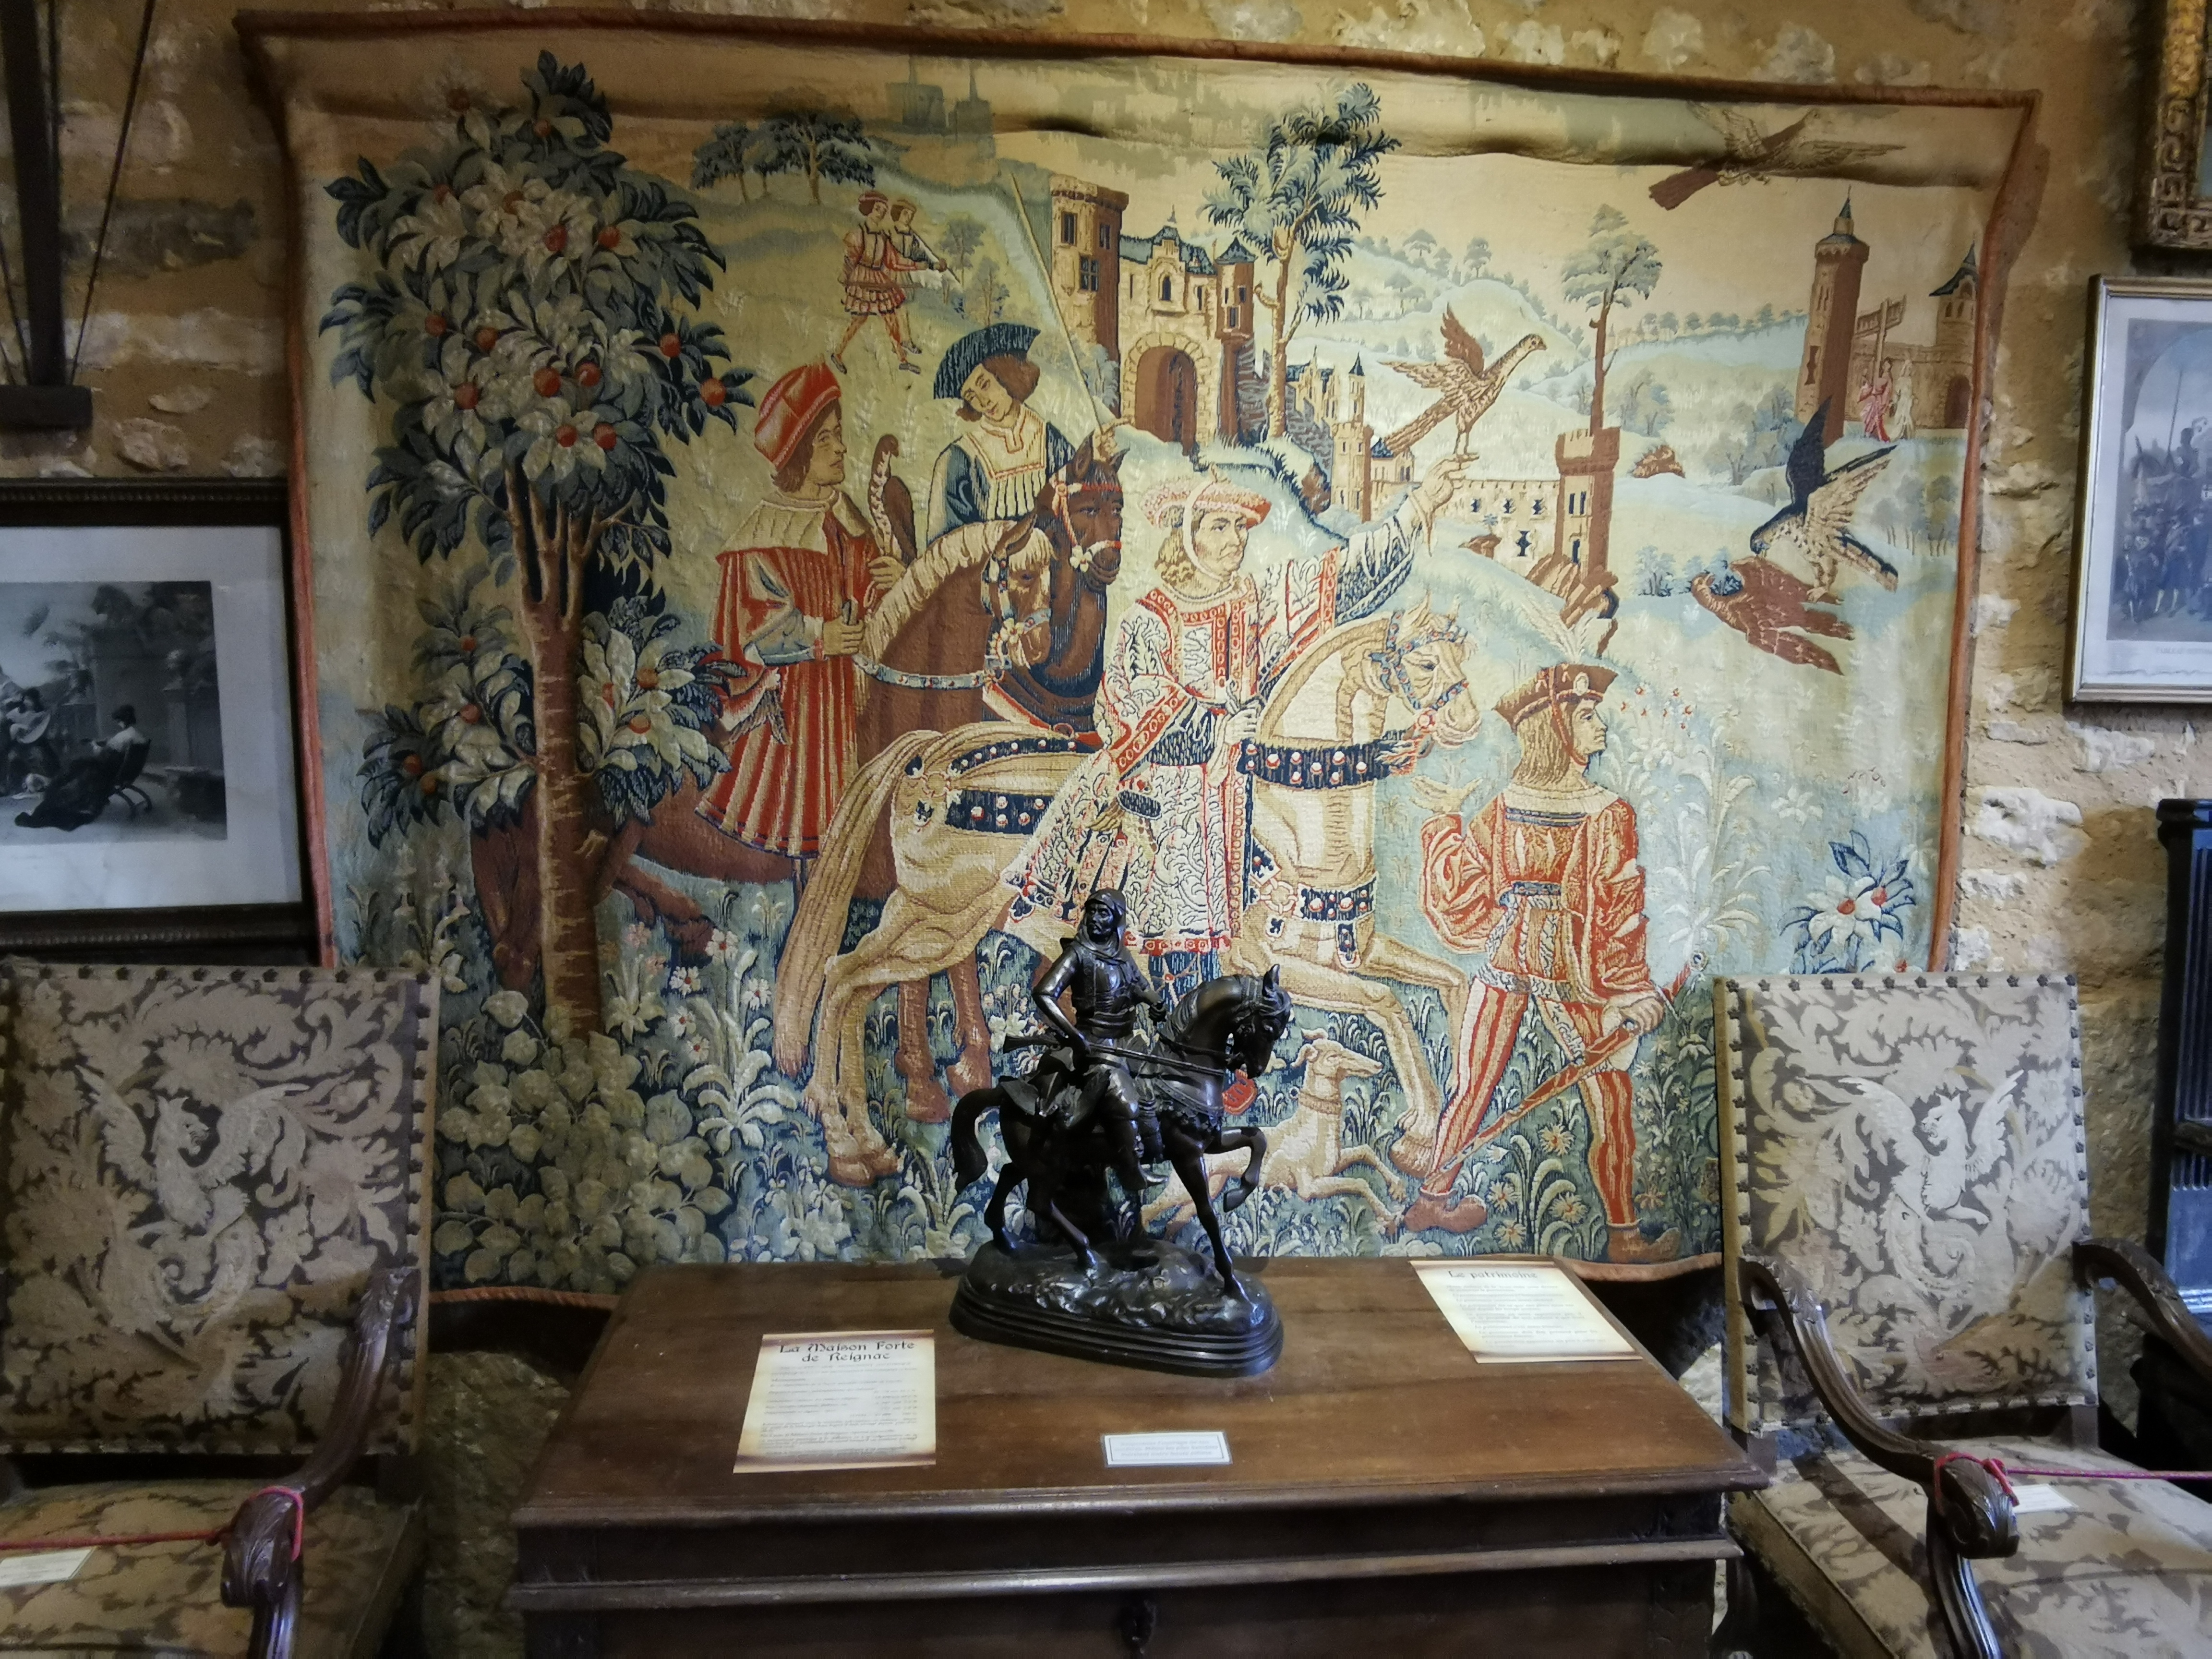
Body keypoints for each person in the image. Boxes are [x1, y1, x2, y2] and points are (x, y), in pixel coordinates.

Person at [1008, 455, 1471, 998]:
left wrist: (1418, 507)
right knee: (1172, 916)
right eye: (1220, 527)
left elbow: (1338, 579)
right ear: (1187, 538)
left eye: (1241, 528)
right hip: (1169, 797)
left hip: (1235, 798)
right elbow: (1128, 710)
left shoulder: (1257, 603)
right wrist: (1216, 731)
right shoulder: (1151, 618)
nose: (1236, 540)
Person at [1404, 665, 1678, 1263]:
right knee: (1605, 1094)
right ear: (1556, 728)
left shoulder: (1508, 808)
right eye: (1587, 717)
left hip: (1513, 959)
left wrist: (1446, 824)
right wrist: (1632, 990)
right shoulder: (1604, 813)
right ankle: (1624, 1236)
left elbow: (1464, 891)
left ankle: (1432, 1199)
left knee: (1477, 1088)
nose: (1601, 726)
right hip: (1571, 971)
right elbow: (1616, 908)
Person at [697, 361, 904, 870]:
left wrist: (893, 582)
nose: (842, 449)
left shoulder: (845, 520)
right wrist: (821, 636)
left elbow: (866, 603)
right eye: (825, 440)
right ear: (797, 452)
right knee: (805, 823)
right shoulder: (762, 536)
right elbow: (751, 634)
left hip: (849, 694)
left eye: (840, 435)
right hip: (798, 705)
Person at [1029, 887, 1168, 1205]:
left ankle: (1151, 1149)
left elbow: (1138, 986)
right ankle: (1131, 1172)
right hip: (1095, 1045)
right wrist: (1074, 1035)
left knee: (1157, 1082)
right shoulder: (1079, 954)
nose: (1095, 918)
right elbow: (1044, 993)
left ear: (1117, 919)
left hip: (1126, 1040)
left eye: (1103, 913)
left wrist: (1154, 1002)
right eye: (1091, 912)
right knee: (1125, 1102)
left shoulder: (1121, 955)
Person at [925, 323, 1076, 542]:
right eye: (971, 396)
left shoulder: (1051, 442)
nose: (983, 401)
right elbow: (946, 546)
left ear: (1005, 374)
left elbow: (1080, 505)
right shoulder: (960, 459)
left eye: (984, 384)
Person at [832, 191, 932, 376]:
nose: (881, 213)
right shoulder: (858, 235)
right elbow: (850, 259)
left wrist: (916, 265)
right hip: (862, 279)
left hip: (878, 279)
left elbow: (894, 261)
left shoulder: (882, 238)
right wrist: (846, 277)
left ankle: (903, 360)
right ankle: (838, 354)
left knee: (890, 318)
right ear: (869, 209)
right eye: (878, 209)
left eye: (883, 211)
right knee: (859, 320)